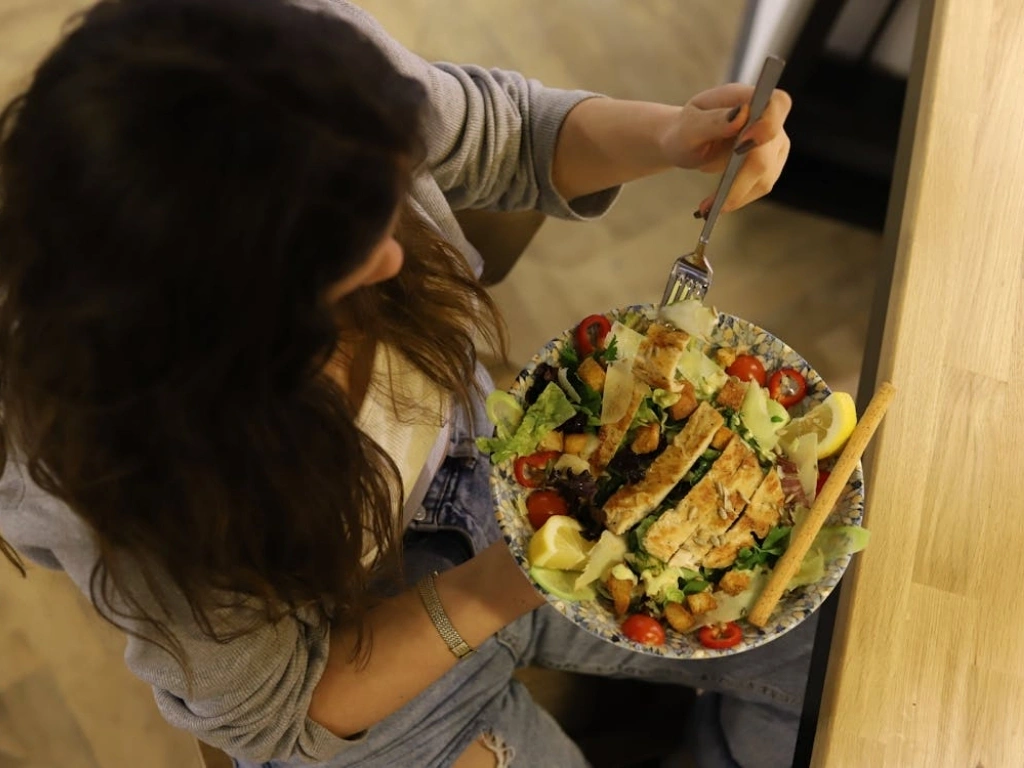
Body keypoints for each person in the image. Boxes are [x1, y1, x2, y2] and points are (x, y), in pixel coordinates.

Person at [0, 1, 813, 766]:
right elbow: (279, 711)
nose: (399, 256)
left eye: (393, 199)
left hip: (487, 472)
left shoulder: (296, 62)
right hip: (342, 643)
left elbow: (502, 132)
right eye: (340, 265)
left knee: (830, 640)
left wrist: (671, 135)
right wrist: (514, 578)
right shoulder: (125, 472)